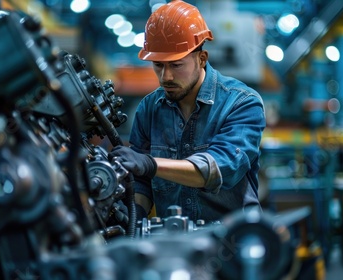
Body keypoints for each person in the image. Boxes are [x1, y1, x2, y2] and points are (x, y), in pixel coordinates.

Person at [110, 0, 266, 222]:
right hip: (175, 245)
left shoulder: (242, 103)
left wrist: (151, 164)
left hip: (233, 243)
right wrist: (135, 214)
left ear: (201, 59)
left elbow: (221, 168)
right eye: (158, 65)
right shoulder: (149, 109)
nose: (166, 77)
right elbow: (142, 182)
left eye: (176, 65)